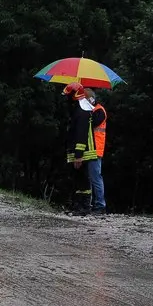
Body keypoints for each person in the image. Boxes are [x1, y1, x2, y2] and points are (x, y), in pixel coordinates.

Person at [63, 82, 99, 215]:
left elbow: (81, 133)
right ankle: (78, 205)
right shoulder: (79, 109)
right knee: (78, 178)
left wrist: (79, 155)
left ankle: (84, 207)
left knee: (83, 179)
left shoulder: (82, 111)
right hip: (79, 151)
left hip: (84, 151)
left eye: (68, 95)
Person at [86, 89, 108, 214]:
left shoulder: (99, 111)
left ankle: (100, 205)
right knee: (91, 177)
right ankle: (92, 204)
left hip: (95, 148)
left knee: (95, 177)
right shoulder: (95, 110)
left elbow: (92, 123)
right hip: (90, 148)